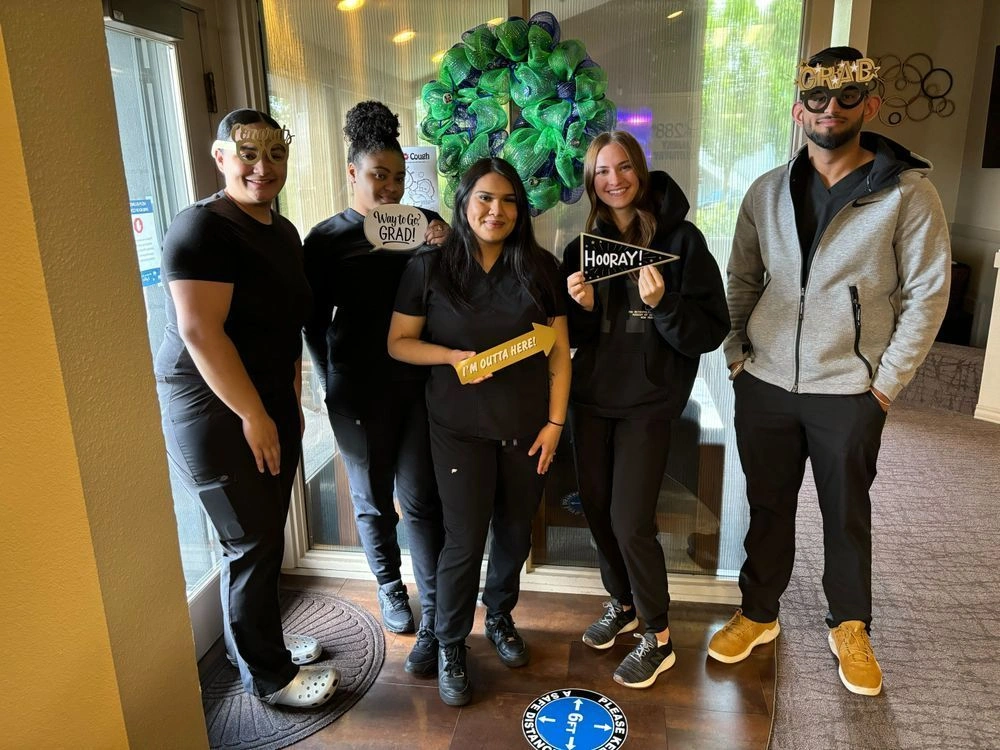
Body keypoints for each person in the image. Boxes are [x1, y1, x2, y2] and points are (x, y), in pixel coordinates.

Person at [708, 47, 951, 697]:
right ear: (798, 110)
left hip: (849, 388)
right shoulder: (765, 190)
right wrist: (737, 356)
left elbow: (928, 294)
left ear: (869, 106)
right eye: (816, 98)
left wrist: (884, 383)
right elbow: (742, 279)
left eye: (847, 98)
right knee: (768, 507)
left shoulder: (907, 194)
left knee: (846, 512)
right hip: (764, 382)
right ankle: (759, 613)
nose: (830, 110)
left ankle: (849, 626)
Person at [154, 109, 338, 707]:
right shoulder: (200, 230)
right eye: (249, 154)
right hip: (212, 409)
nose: (264, 167)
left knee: (263, 531)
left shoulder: (279, 231)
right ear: (220, 157)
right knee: (250, 541)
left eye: (276, 155)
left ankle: (260, 645)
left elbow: (282, 324)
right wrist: (254, 416)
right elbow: (201, 333)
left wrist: (286, 398)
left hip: (263, 398)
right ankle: (272, 677)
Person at [387, 157, 571, 707]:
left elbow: (560, 353)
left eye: (509, 200)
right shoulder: (431, 266)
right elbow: (398, 342)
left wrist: (556, 424)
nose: (498, 210)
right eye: (486, 198)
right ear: (464, 202)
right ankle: (450, 643)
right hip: (458, 430)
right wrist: (450, 357)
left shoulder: (540, 267)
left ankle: (501, 617)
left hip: (527, 431)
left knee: (514, 533)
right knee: (464, 540)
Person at [563, 130, 729, 688]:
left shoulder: (684, 241)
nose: (614, 180)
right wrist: (581, 307)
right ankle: (624, 603)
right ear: (590, 181)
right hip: (591, 400)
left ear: (641, 168)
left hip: (649, 405)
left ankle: (658, 636)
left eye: (624, 166)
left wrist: (664, 304)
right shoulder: (582, 245)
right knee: (595, 506)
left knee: (630, 521)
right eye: (602, 171)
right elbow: (580, 335)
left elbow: (710, 331)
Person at [303, 101, 448, 675]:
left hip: (417, 384)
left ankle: (436, 610)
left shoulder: (419, 224)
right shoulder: (327, 239)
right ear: (352, 174)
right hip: (356, 387)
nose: (387, 187)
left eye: (395, 176)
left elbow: (446, 291)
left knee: (420, 499)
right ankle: (390, 584)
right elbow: (313, 323)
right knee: (370, 498)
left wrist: (443, 239)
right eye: (375, 176)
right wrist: (325, 382)